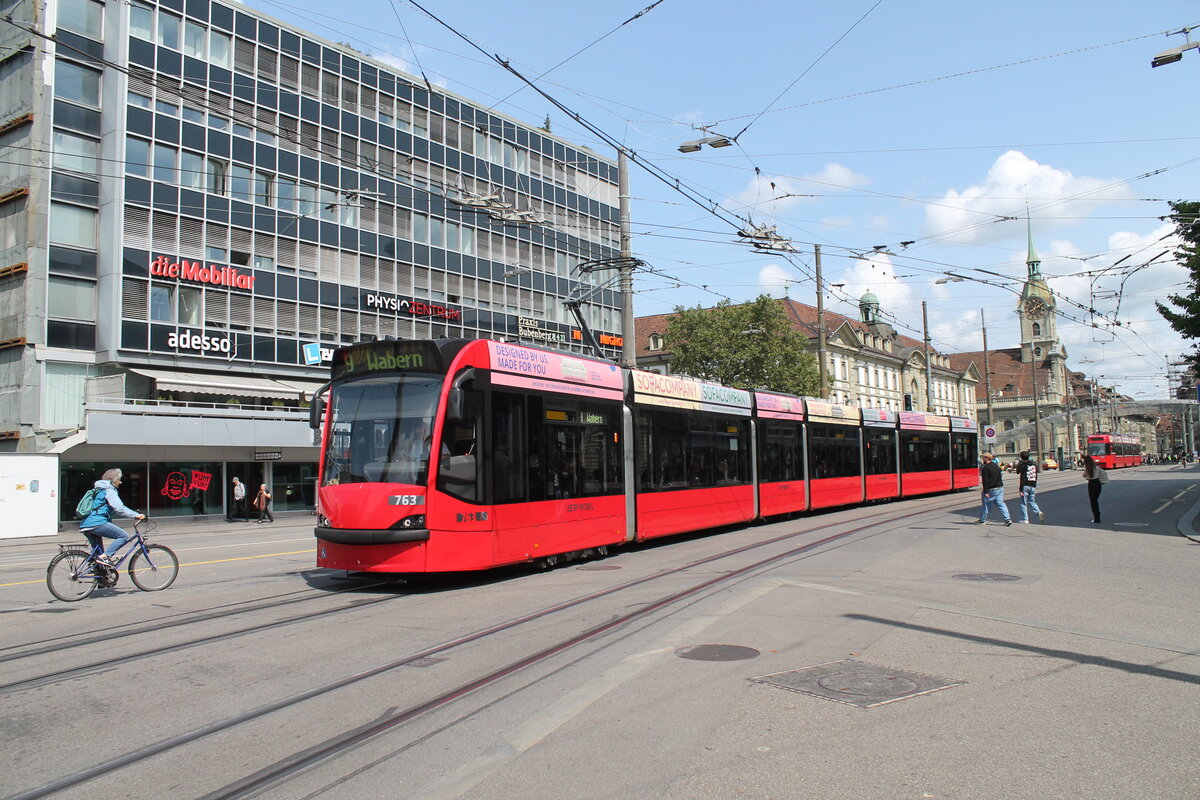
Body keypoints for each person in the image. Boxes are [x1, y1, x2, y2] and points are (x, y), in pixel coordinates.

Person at [79, 468, 145, 566]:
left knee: (98, 557)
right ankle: (106, 557)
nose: (120, 482)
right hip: (97, 523)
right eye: (119, 479)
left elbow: (111, 509)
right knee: (123, 536)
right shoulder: (109, 490)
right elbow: (119, 508)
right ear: (113, 480)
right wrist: (136, 515)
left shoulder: (98, 489)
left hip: (86, 524)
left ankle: (100, 576)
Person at [975, 452, 1012, 526]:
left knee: (986, 505)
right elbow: (1000, 476)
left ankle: (982, 520)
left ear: (986, 458)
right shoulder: (996, 466)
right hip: (999, 488)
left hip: (991, 489)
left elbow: (985, 481)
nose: (983, 459)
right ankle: (1007, 519)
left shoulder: (985, 468)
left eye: (983, 458)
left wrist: (986, 491)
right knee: (1001, 504)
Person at [1015, 450, 1044, 524]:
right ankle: (1038, 512)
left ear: (1021, 458)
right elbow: (1036, 475)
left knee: (1023, 503)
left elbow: (1018, 472)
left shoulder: (1022, 465)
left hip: (1025, 485)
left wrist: (1021, 489)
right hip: (1033, 485)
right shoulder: (1034, 464)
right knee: (1032, 501)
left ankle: (1025, 519)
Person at [1081, 455, 1106, 523]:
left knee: (1093, 502)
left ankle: (1096, 518)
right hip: (1098, 484)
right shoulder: (1096, 467)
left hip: (1091, 484)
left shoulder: (1088, 468)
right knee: (1095, 501)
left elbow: (1084, 475)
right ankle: (1097, 517)